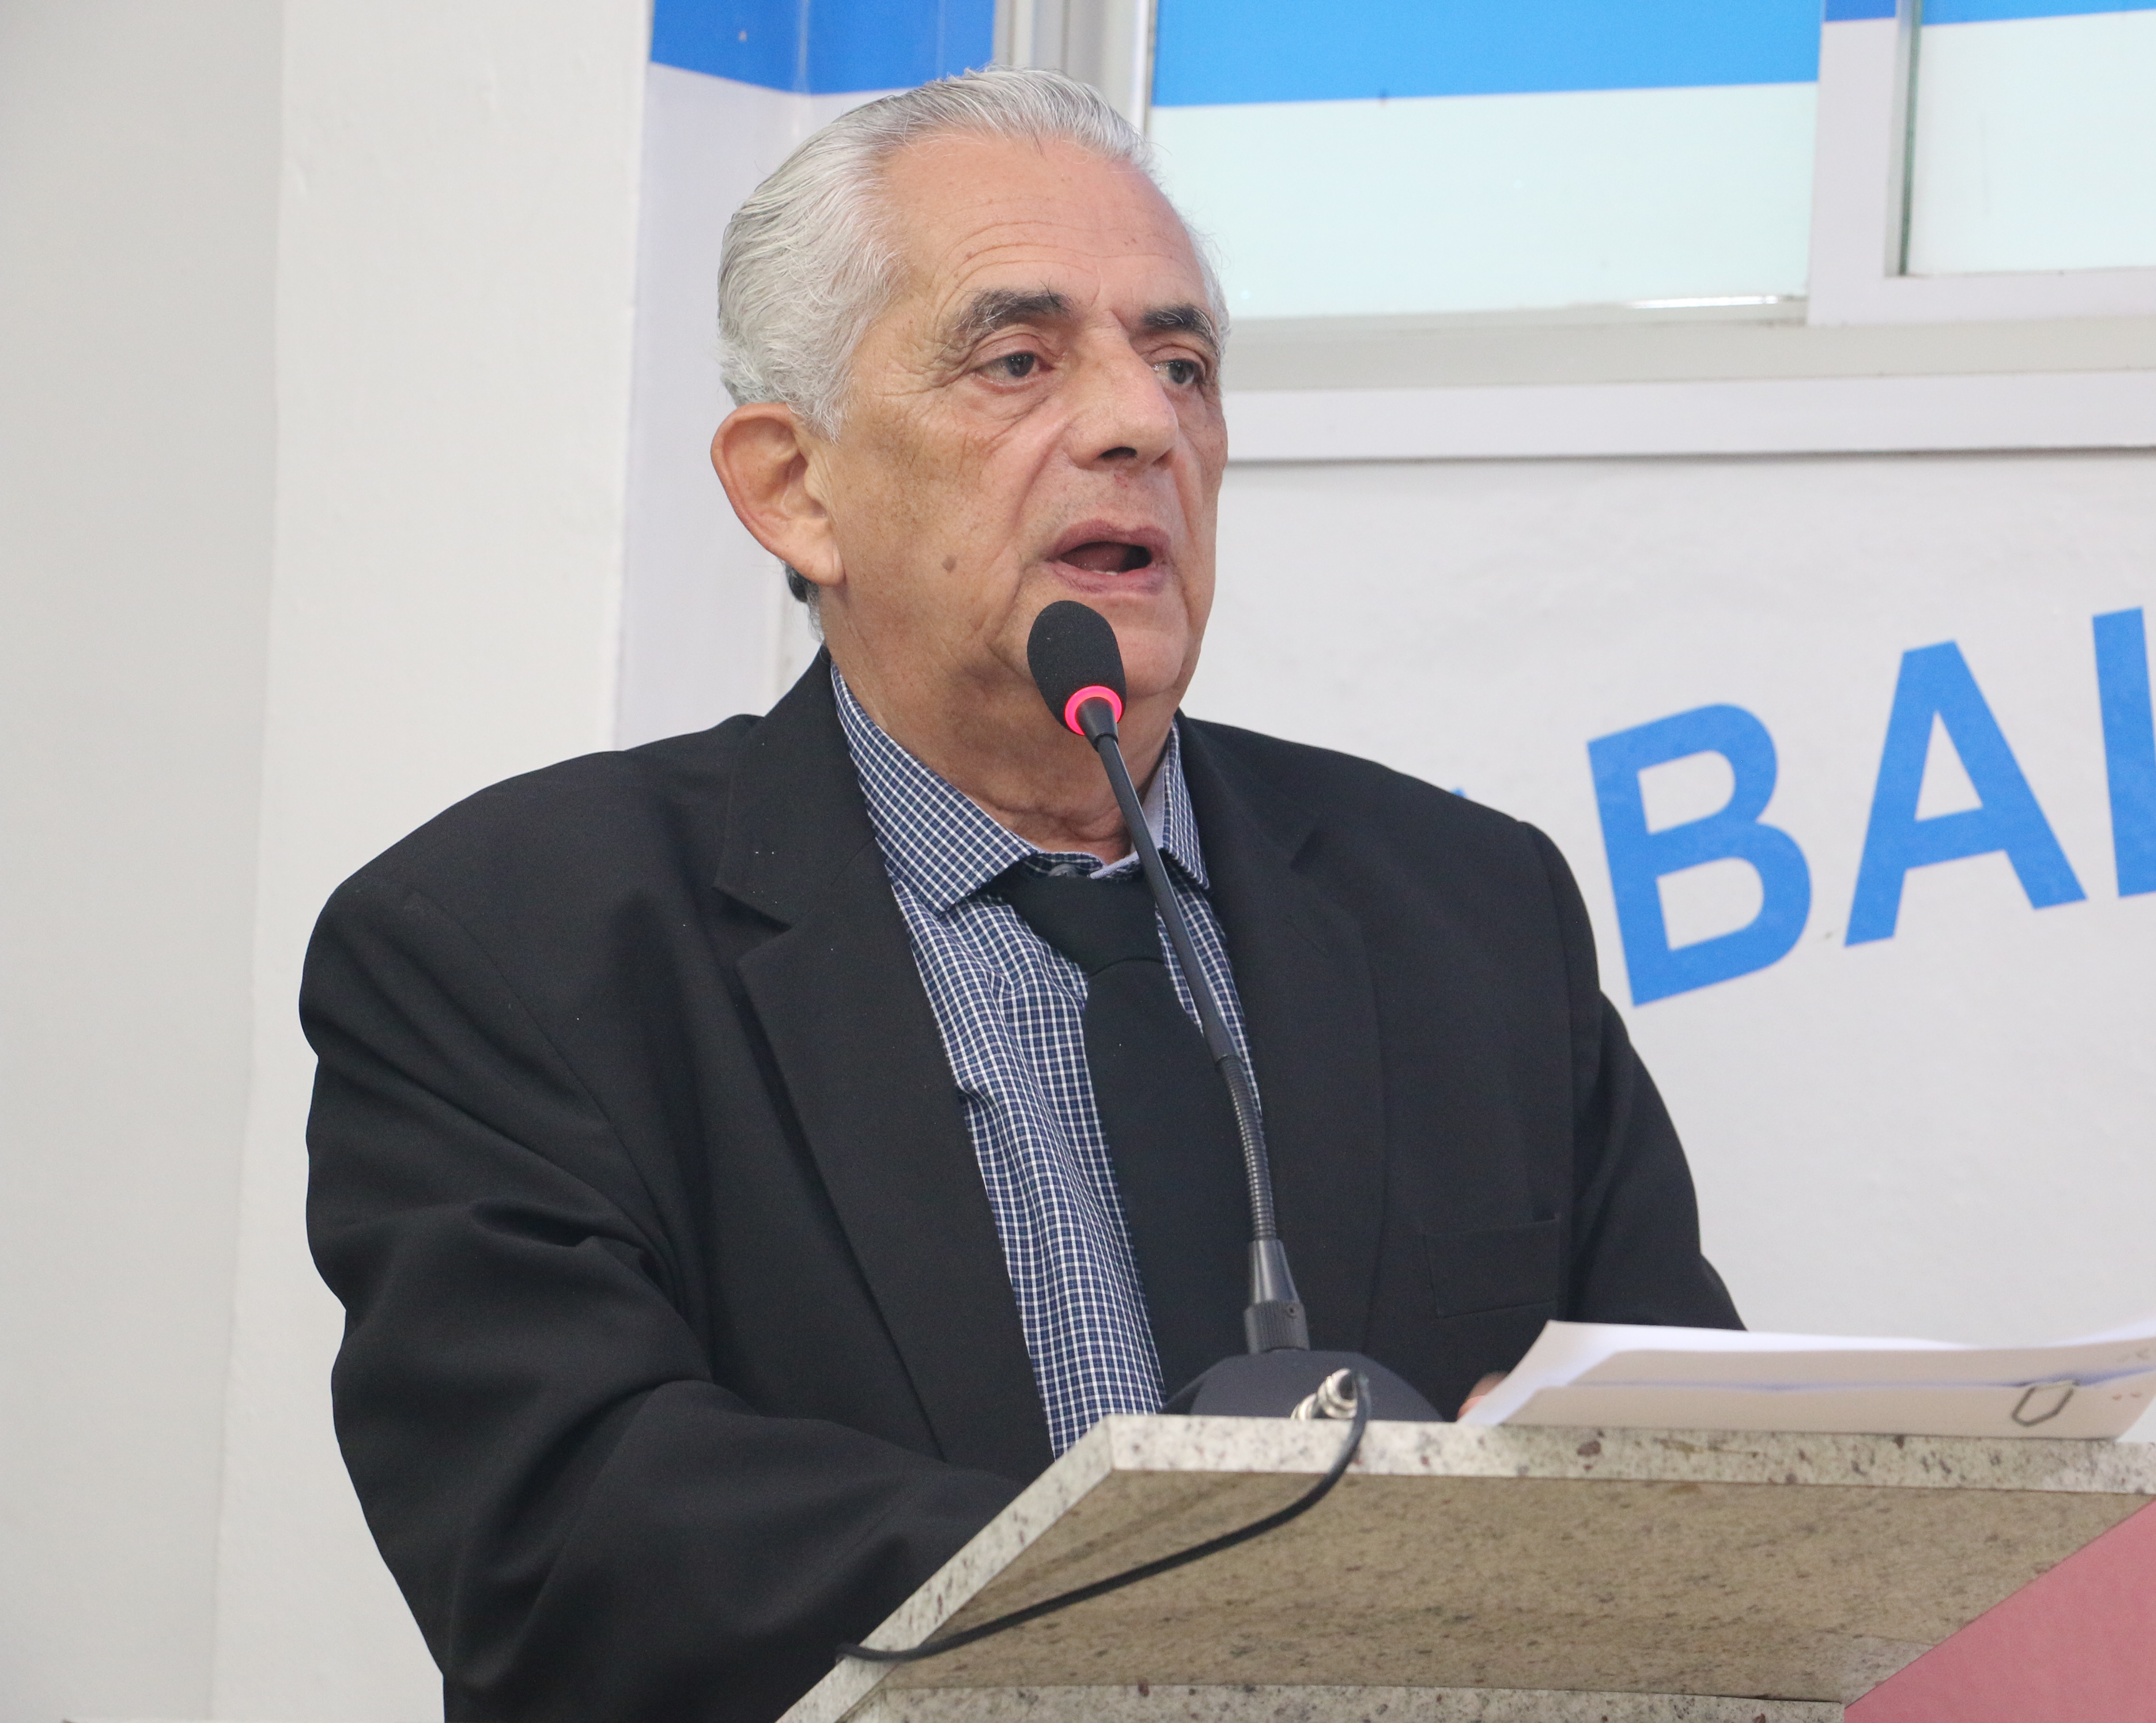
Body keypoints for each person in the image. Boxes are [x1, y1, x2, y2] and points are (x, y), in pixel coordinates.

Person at [303, 68, 1739, 1723]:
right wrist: (1249, 1588)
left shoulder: (1470, 913)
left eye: (1182, 365)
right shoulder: (508, 943)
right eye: (1019, 360)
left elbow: (1691, 1470)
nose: (1142, 425)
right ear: (795, 489)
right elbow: (569, 1535)